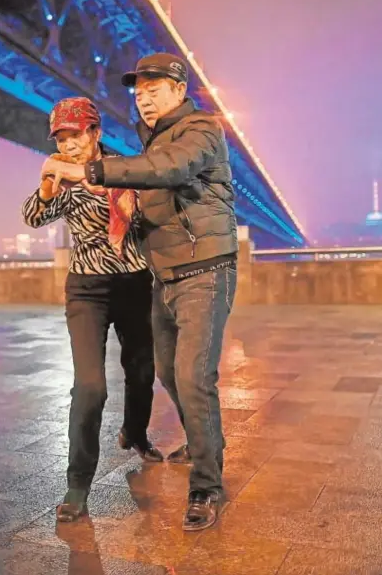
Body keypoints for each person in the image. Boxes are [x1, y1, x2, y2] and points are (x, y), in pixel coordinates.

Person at [42, 53, 238, 532]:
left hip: (205, 270)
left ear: (178, 90)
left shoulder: (201, 130)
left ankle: (206, 487)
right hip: (164, 276)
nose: (144, 97)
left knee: (192, 377)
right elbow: (145, 194)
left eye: (154, 89)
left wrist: (90, 171)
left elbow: (169, 168)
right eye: (138, 92)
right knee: (168, 372)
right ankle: (201, 435)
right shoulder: (148, 144)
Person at [22, 96, 163, 523]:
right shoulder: (61, 179)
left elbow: (151, 221)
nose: (68, 146)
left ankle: (135, 432)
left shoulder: (125, 170)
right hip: (87, 289)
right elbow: (32, 218)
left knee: (141, 371)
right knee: (90, 387)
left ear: (95, 134)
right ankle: (78, 484)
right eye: (61, 139)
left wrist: (124, 203)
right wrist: (47, 189)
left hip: (134, 283)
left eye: (75, 136)